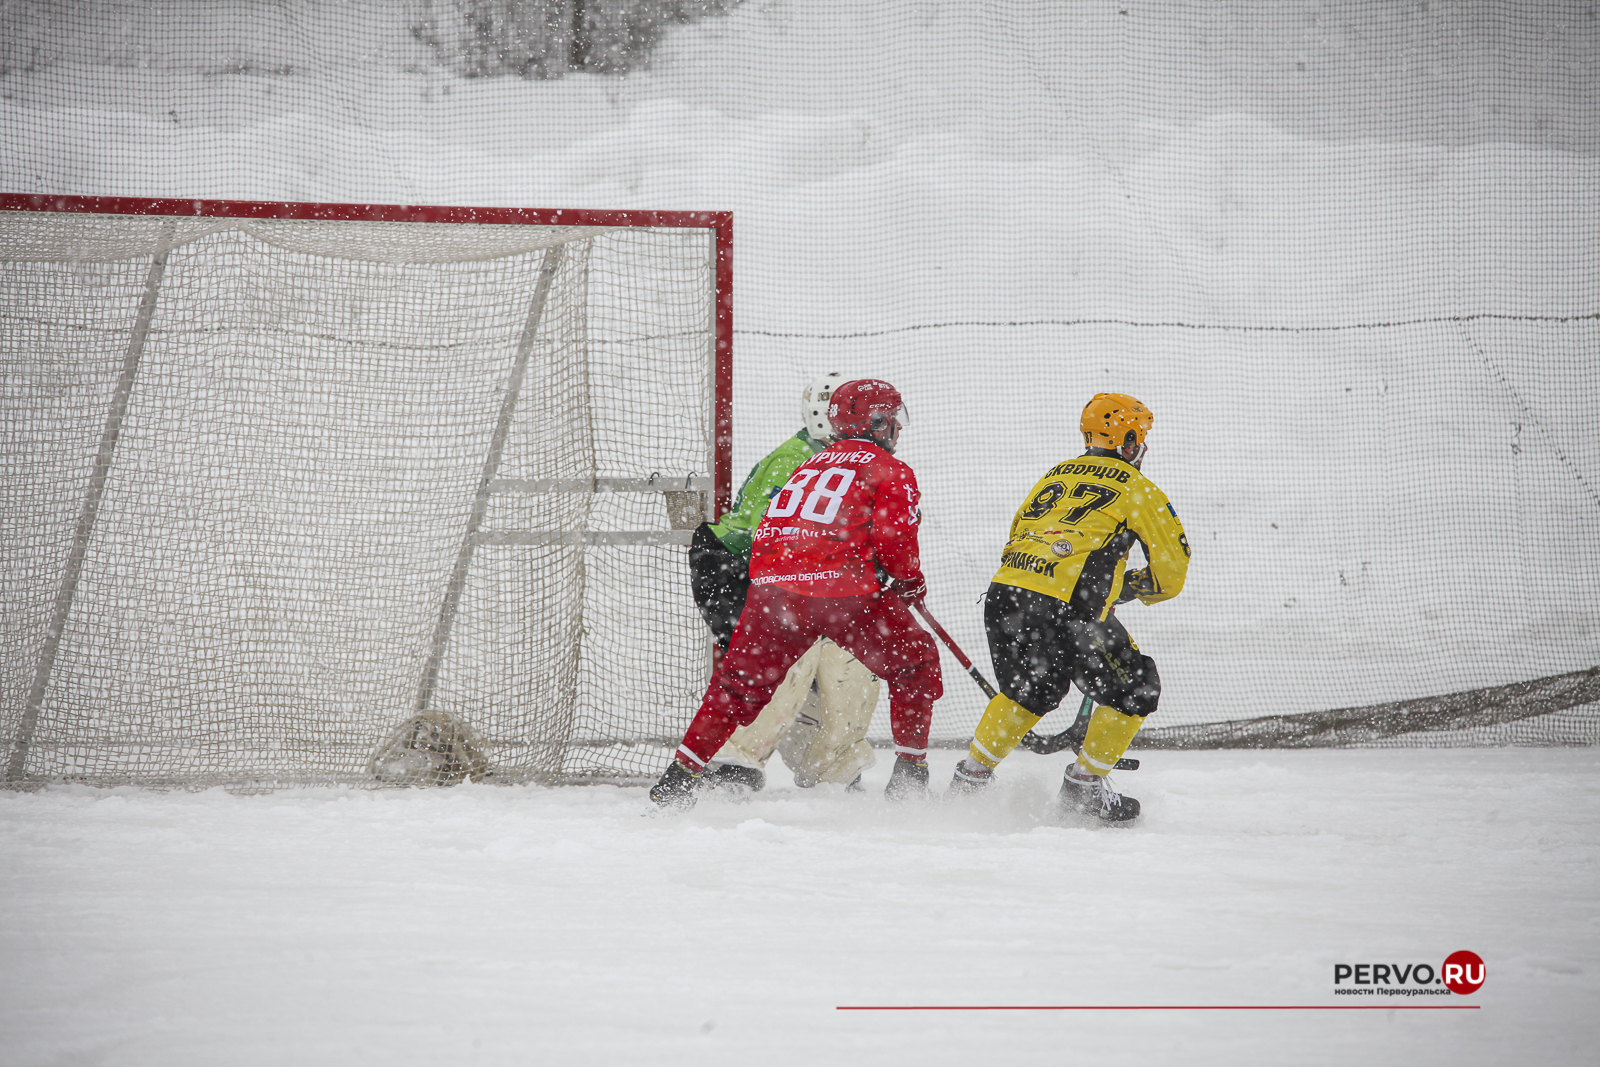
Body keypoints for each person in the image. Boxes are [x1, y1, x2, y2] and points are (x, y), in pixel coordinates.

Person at [651, 378, 943, 810]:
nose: (898, 429)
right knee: (916, 664)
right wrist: (909, 583)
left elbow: (771, 530)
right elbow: (895, 545)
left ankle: (678, 778)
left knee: (736, 687)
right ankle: (910, 776)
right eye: (893, 419)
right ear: (879, 422)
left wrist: (771, 590)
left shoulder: (807, 464)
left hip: (774, 593)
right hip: (844, 594)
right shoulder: (889, 470)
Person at [948, 393, 1190, 824]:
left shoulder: (1053, 475)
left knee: (1029, 691)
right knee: (1136, 688)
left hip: (1007, 595)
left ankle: (969, 782)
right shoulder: (1138, 488)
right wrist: (1129, 589)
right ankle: (1084, 791)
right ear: (1129, 442)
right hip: (1067, 605)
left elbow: (1019, 534)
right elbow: (1170, 575)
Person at [687, 373, 881, 793]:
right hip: (732, 570)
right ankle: (733, 760)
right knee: (788, 654)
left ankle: (831, 761)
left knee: (854, 656)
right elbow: (778, 543)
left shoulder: (850, 462)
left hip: (780, 577)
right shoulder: (800, 461)